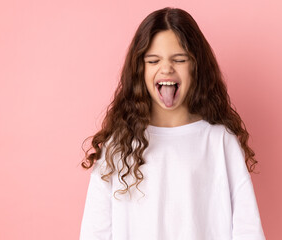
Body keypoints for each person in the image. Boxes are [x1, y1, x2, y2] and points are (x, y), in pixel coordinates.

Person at [79, 7, 266, 240]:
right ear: (139, 69)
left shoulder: (219, 141)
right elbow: (95, 232)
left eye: (179, 59)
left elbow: (247, 229)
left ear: (195, 67)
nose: (166, 68)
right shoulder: (116, 146)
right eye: (153, 60)